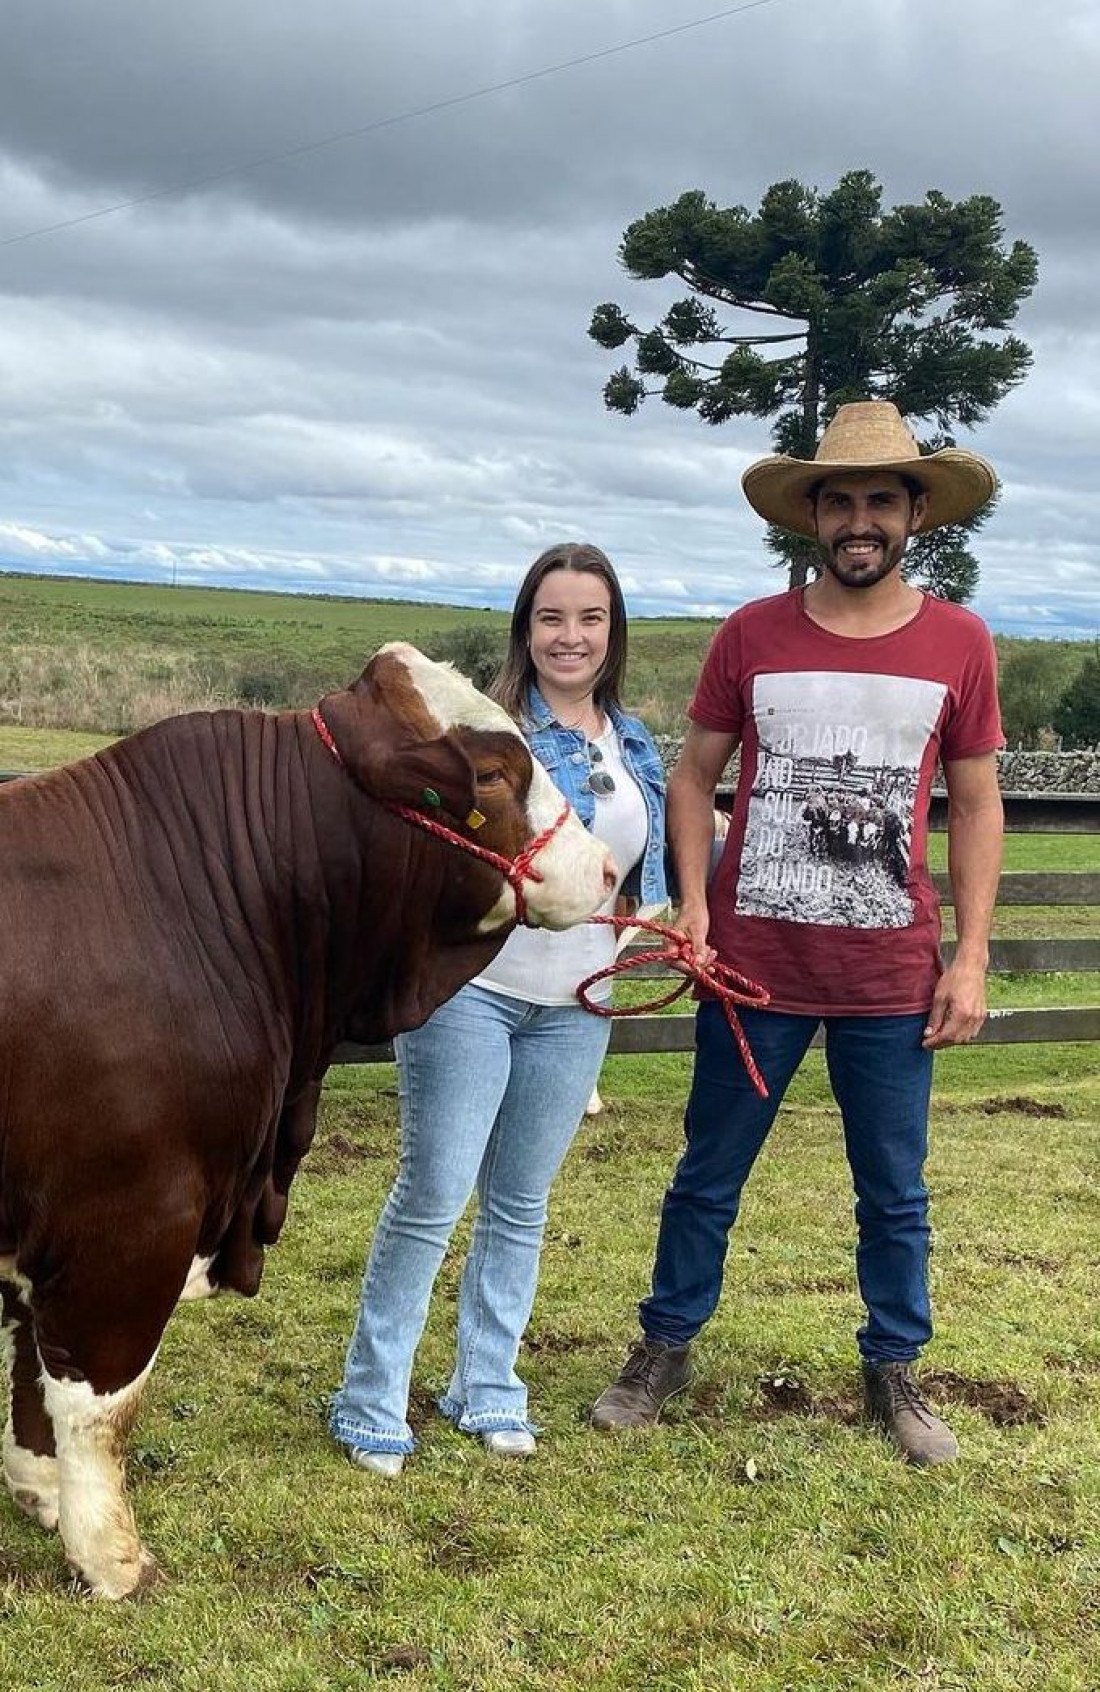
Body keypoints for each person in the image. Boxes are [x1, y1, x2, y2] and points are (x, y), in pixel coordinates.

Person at [590, 401, 1005, 1466]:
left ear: (914, 513)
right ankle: (664, 1344)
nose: (857, 520)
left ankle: (894, 1369)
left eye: (878, 500)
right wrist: (691, 899)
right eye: (838, 501)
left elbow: (975, 799)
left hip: (888, 971)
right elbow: (691, 774)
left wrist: (966, 954)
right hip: (750, 966)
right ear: (809, 516)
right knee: (705, 1172)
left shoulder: (957, 643)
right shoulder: (750, 634)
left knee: (893, 1187)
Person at [330, 542, 668, 1474]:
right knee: (433, 1194)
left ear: (613, 630)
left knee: (520, 1203)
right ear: (526, 627)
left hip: (579, 1001)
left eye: (589, 618)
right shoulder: (482, 740)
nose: (570, 636)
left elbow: (640, 868)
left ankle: (489, 1386)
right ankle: (371, 1393)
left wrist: (650, 924)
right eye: (552, 617)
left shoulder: (630, 741)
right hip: (475, 991)